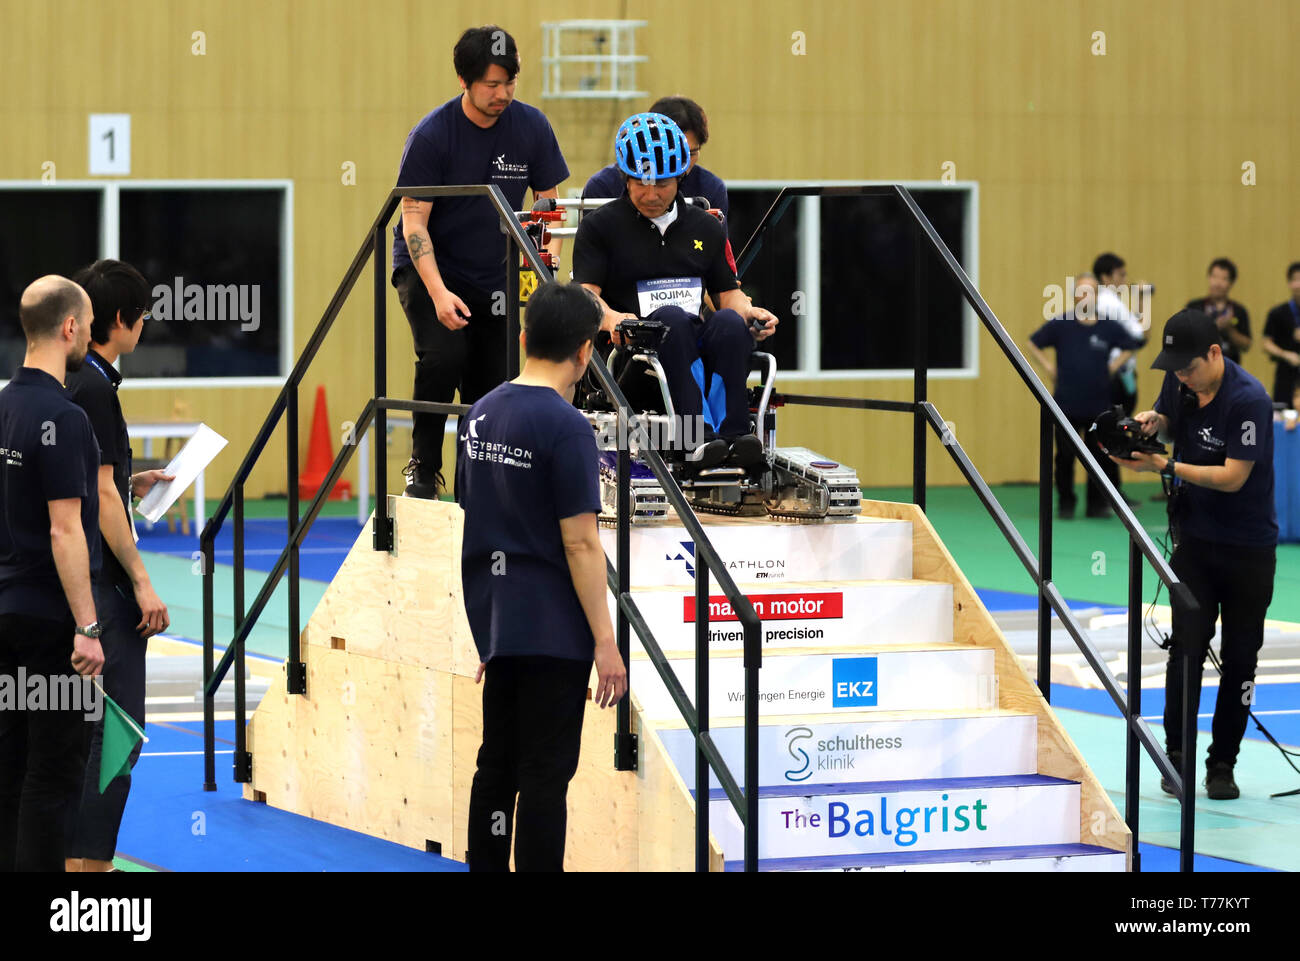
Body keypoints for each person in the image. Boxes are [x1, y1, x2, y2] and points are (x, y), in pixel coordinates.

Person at [457, 281, 627, 872]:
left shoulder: (480, 412)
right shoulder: (567, 427)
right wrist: (606, 642)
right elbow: (580, 542)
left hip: (501, 624)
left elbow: (474, 514)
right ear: (585, 353)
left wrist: (491, 627)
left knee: (496, 764)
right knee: (545, 777)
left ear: (524, 337)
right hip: (554, 633)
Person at [392, 25, 569, 498]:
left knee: (492, 383)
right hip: (431, 265)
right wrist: (437, 292)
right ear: (463, 80)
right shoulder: (433, 135)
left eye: (510, 83)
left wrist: (544, 262)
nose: (503, 94)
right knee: (444, 355)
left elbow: (547, 209)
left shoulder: (532, 126)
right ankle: (423, 469)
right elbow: (414, 224)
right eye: (492, 85)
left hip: (496, 271)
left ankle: (478, 484)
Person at [1108, 309, 1276, 801]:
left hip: (1249, 549)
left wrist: (1165, 465)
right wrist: (1149, 420)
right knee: (1186, 650)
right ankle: (1175, 756)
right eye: (1174, 367)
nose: (1181, 375)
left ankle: (1222, 763)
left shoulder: (1248, 400)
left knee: (1242, 659)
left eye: (1189, 366)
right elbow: (1163, 412)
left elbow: (1233, 477)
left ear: (1215, 354)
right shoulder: (1180, 385)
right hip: (1196, 545)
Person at [571, 112, 779, 468]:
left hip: (693, 343)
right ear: (624, 176)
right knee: (670, 320)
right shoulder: (600, 228)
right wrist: (614, 320)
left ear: (682, 176)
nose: (651, 194)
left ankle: (734, 436)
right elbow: (585, 295)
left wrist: (751, 311)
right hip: (633, 354)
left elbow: (727, 294)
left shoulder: (706, 226)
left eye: (663, 184)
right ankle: (696, 438)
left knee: (729, 323)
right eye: (640, 183)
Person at [63, 259, 173, 873]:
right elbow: (98, 496)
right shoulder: (98, 388)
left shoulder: (67, 382)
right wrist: (142, 580)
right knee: (115, 736)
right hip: (104, 590)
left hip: (65, 585)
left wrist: (131, 483)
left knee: (79, 735)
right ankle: (91, 867)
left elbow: (86, 482)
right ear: (124, 323)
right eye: (144, 317)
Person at [0, 276, 105, 871]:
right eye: (86, 325)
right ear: (69, 328)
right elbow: (65, 530)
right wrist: (88, 627)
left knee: (10, 766)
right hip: (48, 624)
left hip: (6, 613)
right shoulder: (63, 418)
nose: (88, 335)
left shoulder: (5, 407)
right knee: (55, 772)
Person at [1026, 273, 1145, 518]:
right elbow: (1033, 342)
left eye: (1091, 291)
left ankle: (1096, 504)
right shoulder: (1062, 324)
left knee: (1098, 457)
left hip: (1099, 405)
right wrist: (1049, 367)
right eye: (1081, 291)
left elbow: (1133, 343)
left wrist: (1114, 366)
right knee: (1065, 457)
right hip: (1066, 404)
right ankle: (1066, 503)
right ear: (1075, 295)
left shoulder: (1108, 326)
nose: (1086, 295)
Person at [583, 95, 729, 221]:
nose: (682, 164)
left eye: (691, 154)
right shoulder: (603, 186)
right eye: (641, 184)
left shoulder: (711, 188)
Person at [1185, 257, 1251, 364]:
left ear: (1231, 283)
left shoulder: (1239, 310)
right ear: (1209, 278)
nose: (1218, 283)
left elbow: (1246, 345)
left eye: (1224, 279)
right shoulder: (1194, 307)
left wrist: (1229, 330)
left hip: (1230, 369)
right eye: (1214, 277)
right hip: (1199, 369)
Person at [1260, 261, 1300, 409]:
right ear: (1289, 283)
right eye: (1295, 279)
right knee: (1283, 417)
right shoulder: (1278, 313)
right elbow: (1265, 343)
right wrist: (1285, 354)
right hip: (1286, 376)